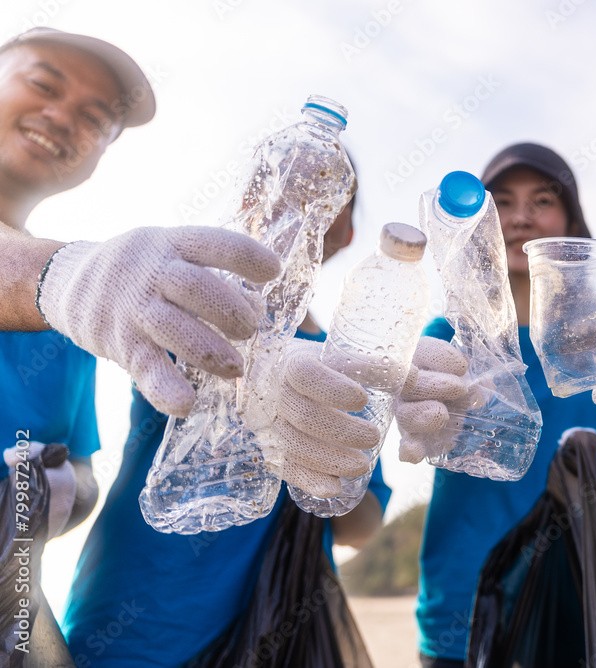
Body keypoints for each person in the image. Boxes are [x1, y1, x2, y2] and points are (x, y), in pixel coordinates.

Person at [62, 190, 393, 667]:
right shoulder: (191, 304)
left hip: (278, 633)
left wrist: (325, 468)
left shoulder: (343, 370)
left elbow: (362, 528)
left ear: (346, 232)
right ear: (251, 206)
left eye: (327, 193)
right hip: (134, 623)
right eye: (287, 185)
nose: (302, 203)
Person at [395, 143, 596, 667]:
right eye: (503, 203)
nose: (520, 218)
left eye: (542, 201)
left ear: (571, 225)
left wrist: (590, 479)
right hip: (462, 615)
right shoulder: (447, 338)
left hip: (582, 606)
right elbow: (412, 434)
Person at [0, 27, 282, 418]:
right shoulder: (76, 291)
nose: (63, 118)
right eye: (44, 85)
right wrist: (59, 275)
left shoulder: (77, 321)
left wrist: (53, 478)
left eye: (94, 119)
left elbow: (79, 465)